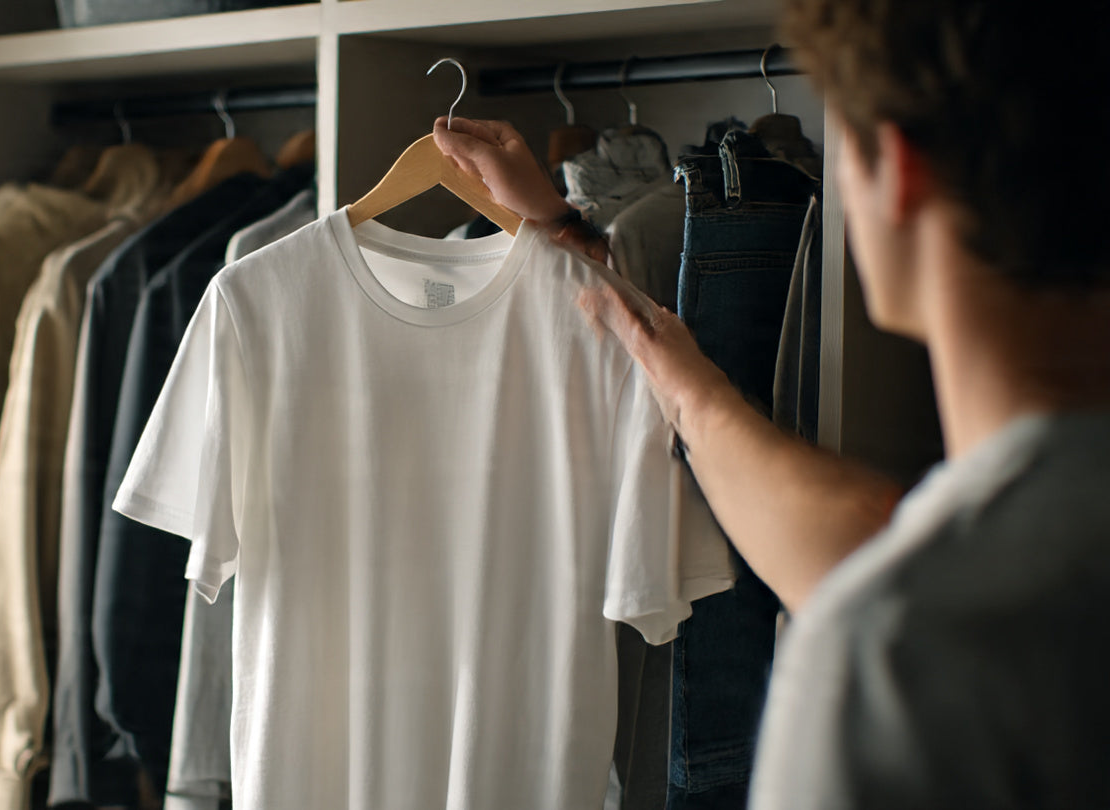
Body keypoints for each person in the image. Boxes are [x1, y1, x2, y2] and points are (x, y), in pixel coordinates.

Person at [434, 0, 1110, 807]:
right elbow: (862, 538)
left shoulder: (897, 650)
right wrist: (572, 238)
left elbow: (889, 579)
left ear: (896, 172)